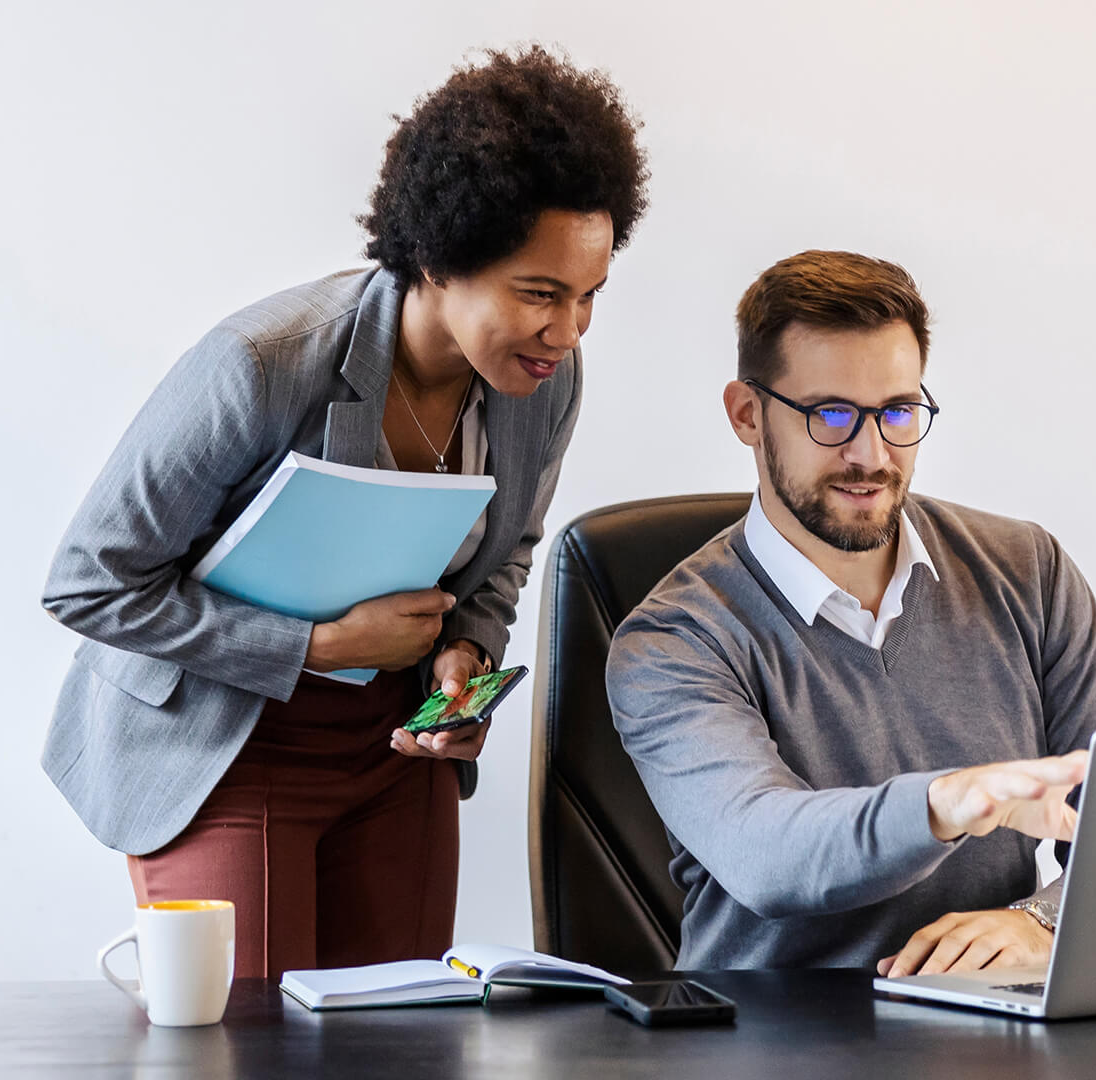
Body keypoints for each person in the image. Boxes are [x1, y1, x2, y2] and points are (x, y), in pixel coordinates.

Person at [42, 46, 649, 979]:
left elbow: (509, 550)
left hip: (395, 754)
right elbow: (89, 586)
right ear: (442, 260)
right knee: (247, 1048)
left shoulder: (544, 384)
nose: (567, 332)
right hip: (221, 747)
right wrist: (312, 649)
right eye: (539, 294)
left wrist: (465, 656)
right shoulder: (262, 364)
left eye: (589, 296)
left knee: (399, 1041)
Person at [606, 251, 1096, 976]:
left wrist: (1038, 921)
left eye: (896, 412)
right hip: (776, 1041)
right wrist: (942, 803)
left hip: (986, 1031)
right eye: (831, 415)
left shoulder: (1028, 571)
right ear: (747, 415)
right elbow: (767, 853)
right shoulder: (673, 641)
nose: (872, 454)